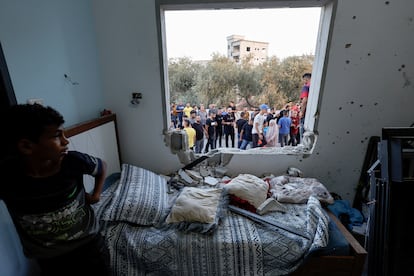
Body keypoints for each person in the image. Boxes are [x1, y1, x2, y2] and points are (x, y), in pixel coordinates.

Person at [0, 103, 110, 276]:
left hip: (89, 246)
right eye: (58, 136)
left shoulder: (72, 162)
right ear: (27, 146)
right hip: (50, 259)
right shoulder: (7, 178)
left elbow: (102, 166)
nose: (66, 141)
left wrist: (96, 195)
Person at [299, 73, 311, 138]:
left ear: (306, 79)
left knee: (303, 131)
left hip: (305, 112)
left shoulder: (306, 87)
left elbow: (304, 100)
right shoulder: (313, 87)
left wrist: (301, 112)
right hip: (311, 113)